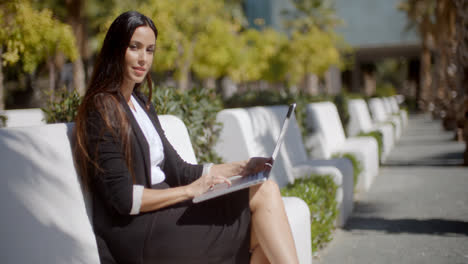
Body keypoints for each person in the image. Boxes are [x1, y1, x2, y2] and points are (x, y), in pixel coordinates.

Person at [74, 11, 299, 264]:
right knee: (264, 200)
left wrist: (244, 167)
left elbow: (180, 170)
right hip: (138, 229)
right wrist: (189, 191)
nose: (143, 59)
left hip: (166, 213)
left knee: (265, 226)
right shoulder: (101, 108)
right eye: (134, 47)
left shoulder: (141, 104)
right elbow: (125, 199)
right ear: (116, 49)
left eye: (150, 50)